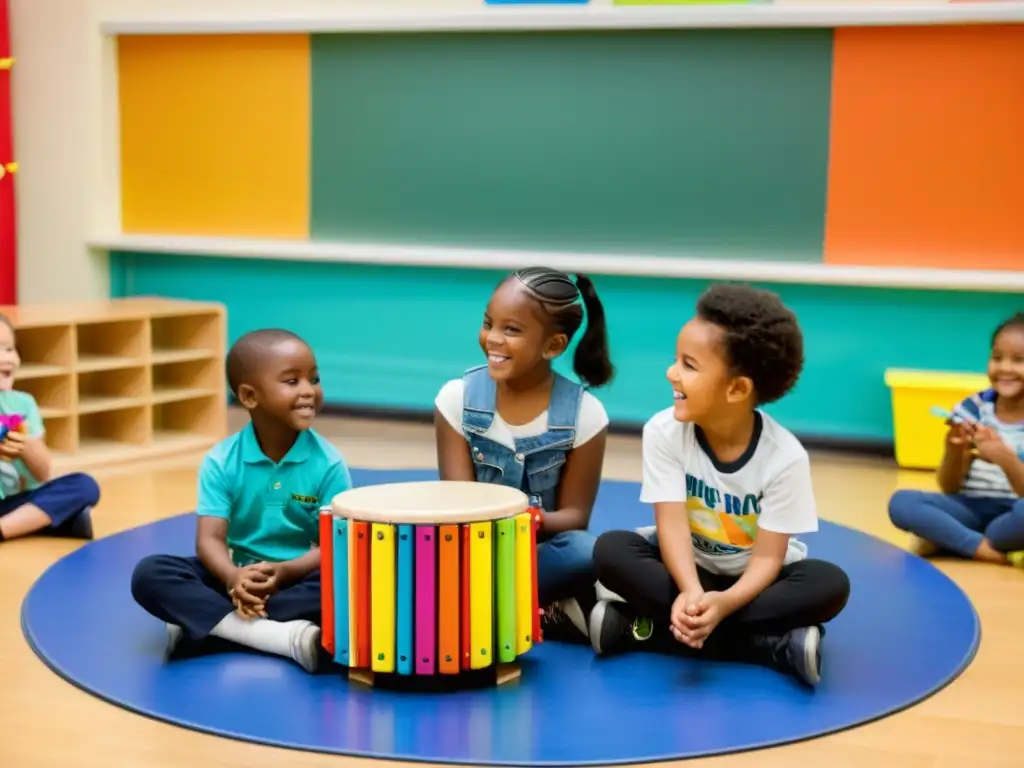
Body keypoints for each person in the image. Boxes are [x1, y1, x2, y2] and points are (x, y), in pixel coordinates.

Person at [588, 284, 850, 687]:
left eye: (689, 365)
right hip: (685, 571)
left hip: (755, 584)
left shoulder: (785, 457)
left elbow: (767, 559)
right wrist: (692, 593)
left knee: (829, 584)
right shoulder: (664, 431)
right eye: (676, 360)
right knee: (610, 550)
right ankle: (770, 645)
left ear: (737, 388)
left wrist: (725, 603)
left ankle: (644, 629)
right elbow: (671, 524)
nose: (671, 373)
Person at [131, 329, 352, 672]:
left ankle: (207, 625)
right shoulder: (221, 461)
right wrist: (233, 577)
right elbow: (210, 539)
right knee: (150, 573)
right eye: (292, 381)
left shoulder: (329, 463)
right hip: (235, 580)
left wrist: (286, 571)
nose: (309, 390)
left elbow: (337, 543)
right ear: (250, 396)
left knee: (354, 586)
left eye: (314, 378)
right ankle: (282, 638)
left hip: (299, 579)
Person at [433, 267, 614, 644]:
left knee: (590, 551)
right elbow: (456, 505)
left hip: (538, 554)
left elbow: (575, 518)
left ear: (553, 346)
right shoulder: (456, 398)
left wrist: (532, 520)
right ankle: (538, 609)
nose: (492, 339)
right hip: (469, 550)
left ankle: (483, 605)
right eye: (488, 323)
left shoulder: (586, 413)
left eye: (511, 330)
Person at [889, 312, 1024, 566]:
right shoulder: (972, 408)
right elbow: (950, 486)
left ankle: (951, 538)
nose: (1005, 367)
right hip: (969, 507)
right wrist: (953, 449)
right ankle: (980, 547)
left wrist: (1003, 456)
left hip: (1015, 515)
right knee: (902, 502)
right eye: (997, 358)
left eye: (1019, 360)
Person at [0, 313, 99, 542]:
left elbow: (42, 473)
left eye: (10, 349)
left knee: (85, 485)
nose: (8, 358)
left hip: (10, 502)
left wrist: (28, 448)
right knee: (69, 512)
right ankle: (53, 521)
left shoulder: (22, 404)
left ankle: (7, 528)